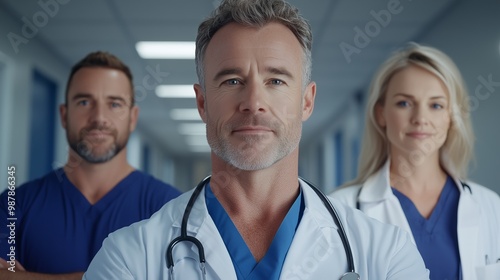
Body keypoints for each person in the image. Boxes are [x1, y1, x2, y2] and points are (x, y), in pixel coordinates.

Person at [84, 1, 429, 279]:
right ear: (202, 102)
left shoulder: (385, 255)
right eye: (232, 80)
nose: (253, 102)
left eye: (276, 81)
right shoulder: (129, 258)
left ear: (307, 101)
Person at [0, 51, 181, 279]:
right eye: (84, 102)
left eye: (114, 104)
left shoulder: (170, 209)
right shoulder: (14, 205)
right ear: (64, 115)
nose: (99, 117)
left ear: (132, 118)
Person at [330, 43, 500, 280]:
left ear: (452, 117)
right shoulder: (339, 210)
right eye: (404, 103)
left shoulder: (492, 207)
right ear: (381, 114)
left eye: (436, 105)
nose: (421, 118)